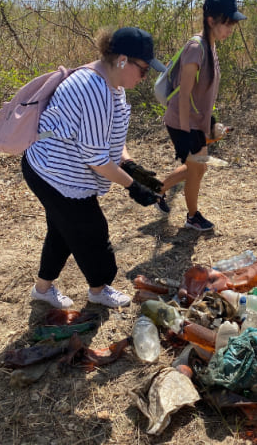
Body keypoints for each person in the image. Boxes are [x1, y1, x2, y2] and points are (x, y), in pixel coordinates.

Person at [22, 27, 164, 310]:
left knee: (63, 229)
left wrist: (129, 164)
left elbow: (110, 137)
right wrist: (132, 187)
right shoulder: (93, 88)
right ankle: (98, 289)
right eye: (144, 69)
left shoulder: (112, 85)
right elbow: (96, 159)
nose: (145, 77)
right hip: (54, 172)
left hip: (55, 168)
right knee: (92, 231)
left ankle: (42, 289)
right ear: (123, 60)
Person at [156, 0, 246, 231]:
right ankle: (192, 216)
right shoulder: (196, 48)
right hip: (182, 120)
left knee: (198, 166)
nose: (230, 30)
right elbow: (184, 95)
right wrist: (186, 134)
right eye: (227, 24)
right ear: (211, 21)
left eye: (232, 25)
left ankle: (157, 190)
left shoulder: (211, 45)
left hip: (197, 120)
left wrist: (211, 122)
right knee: (197, 168)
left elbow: (202, 93)